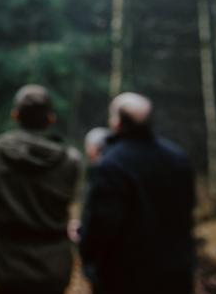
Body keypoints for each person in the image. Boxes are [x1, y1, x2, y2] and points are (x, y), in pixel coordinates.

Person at [79, 92, 195, 294]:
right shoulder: (178, 157)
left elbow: (102, 225)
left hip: (126, 278)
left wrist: (89, 262)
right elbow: (189, 209)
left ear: (117, 122)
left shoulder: (111, 164)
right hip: (176, 275)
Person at [0, 85, 81, 294]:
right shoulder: (70, 161)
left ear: (15, 115)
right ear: (51, 119)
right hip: (52, 264)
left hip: (4, 262)